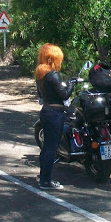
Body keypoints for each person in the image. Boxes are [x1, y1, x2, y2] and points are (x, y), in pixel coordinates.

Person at [35, 43, 75, 190]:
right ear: (53, 58)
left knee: (46, 148)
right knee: (52, 149)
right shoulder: (53, 74)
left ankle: (43, 178)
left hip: (46, 111)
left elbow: (40, 95)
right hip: (55, 114)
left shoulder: (40, 74)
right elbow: (64, 94)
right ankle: (46, 181)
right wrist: (71, 84)